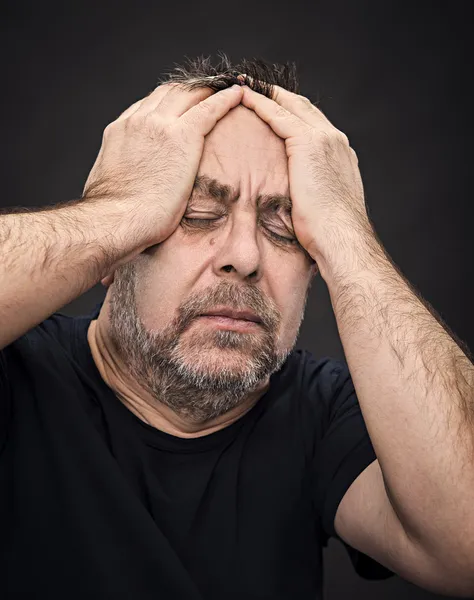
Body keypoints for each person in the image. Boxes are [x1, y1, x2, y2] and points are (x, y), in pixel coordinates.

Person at [1, 55, 473, 600]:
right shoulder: (19, 372)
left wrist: (346, 229)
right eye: (196, 212)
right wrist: (120, 207)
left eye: (284, 226)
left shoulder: (328, 412)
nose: (245, 256)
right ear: (111, 251)